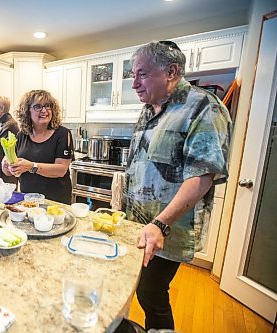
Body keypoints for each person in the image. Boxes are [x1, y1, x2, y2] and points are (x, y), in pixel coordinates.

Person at [125, 41, 232, 330]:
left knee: (151, 294)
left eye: (142, 74)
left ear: (171, 71)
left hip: (165, 228)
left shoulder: (203, 107)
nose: (134, 83)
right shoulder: (149, 110)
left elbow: (203, 175)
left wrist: (161, 224)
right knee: (141, 289)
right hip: (139, 223)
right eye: (132, 75)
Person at [1, 90, 73, 204]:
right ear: (27, 111)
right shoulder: (21, 135)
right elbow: (10, 172)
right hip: (28, 200)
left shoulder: (63, 134)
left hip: (56, 202)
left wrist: (31, 166)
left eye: (48, 106)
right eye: (38, 106)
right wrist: (6, 166)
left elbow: (61, 170)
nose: (44, 110)